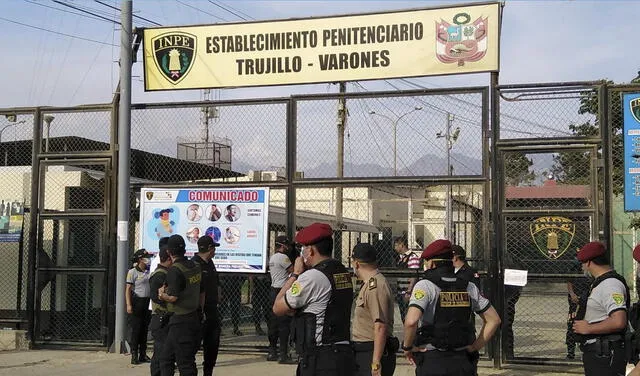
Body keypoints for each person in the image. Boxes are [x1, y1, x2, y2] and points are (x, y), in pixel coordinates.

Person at [402, 239, 501, 376]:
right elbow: (494, 320)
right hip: (463, 359)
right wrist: (474, 347)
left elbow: (411, 321)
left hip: (433, 359)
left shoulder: (425, 286)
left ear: (432, 263)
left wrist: (407, 347)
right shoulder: (468, 286)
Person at [272, 222, 355, 376]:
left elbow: (278, 307)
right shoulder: (340, 270)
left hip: (321, 358)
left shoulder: (312, 277)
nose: (301, 252)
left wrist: (295, 274)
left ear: (310, 250)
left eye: (302, 248)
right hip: (342, 352)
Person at [571, 241, 629, 376]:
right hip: (598, 351)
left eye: (582, 264)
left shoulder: (610, 285)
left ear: (589, 262)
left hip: (605, 353)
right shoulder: (600, 282)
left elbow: (619, 321)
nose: (582, 268)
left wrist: (589, 327)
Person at [157, 234, 203, 376]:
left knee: (185, 362)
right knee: (166, 358)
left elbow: (173, 297)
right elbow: (201, 290)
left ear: (169, 252)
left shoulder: (175, 270)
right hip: (192, 316)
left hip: (180, 320)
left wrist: (162, 295)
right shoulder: (195, 266)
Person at [351, 243, 397, 376]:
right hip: (366, 350)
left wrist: (376, 362)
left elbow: (380, 326)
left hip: (372, 351)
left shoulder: (375, 286)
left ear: (356, 263)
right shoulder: (370, 283)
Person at [192, 235, 222, 376]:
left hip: (212, 309)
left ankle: (208, 371)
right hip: (199, 310)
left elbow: (216, 283)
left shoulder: (210, 263)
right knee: (193, 344)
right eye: (214, 247)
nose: (215, 250)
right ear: (210, 248)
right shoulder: (194, 264)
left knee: (213, 344)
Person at [266, 235, 295, 363]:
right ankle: (283, 354)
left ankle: (272, 352)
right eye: (287, 245)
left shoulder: (272, 257)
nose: (288, 247)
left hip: (273, 290)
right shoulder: (283, 258)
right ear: (282, 246)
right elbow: (294, 271)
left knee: (273, 322)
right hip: (282, 291)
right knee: (284, 323)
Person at [149, 238, 173, 376]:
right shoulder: (159, 275)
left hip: (165, 317)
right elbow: (154, 296)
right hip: (161, 318)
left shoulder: (166, 273)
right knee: (160, 352)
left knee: (165, 351)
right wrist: (170, 299)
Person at [126, 248, 153, 365]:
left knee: (144, 329)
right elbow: (127, 289)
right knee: (136, 330)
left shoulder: (148, 271)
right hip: (137, 302)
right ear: (141, 259)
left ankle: (143, 353)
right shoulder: (132, 272)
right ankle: (134, 354)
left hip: (147, 302)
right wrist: (128, 304)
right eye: (146, 257)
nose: (149, 259)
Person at [394, 236, 420, 322]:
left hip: (407, 293)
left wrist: (409, 291)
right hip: (401, 292)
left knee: (409, 318)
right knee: (404, 318)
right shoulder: (401, 258)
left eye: (396, 245)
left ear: (402, 245)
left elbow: (414, 275)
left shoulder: (412, 257)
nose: (395, 248)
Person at [565, 274, 591, 359]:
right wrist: (572, 294)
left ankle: (586, 351)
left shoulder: (594, 269)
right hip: (575, 301)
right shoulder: (575, 267)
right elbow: (569, 281)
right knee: (572, 324)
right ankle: (570, 352)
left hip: (589, 300)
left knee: (588, 324)